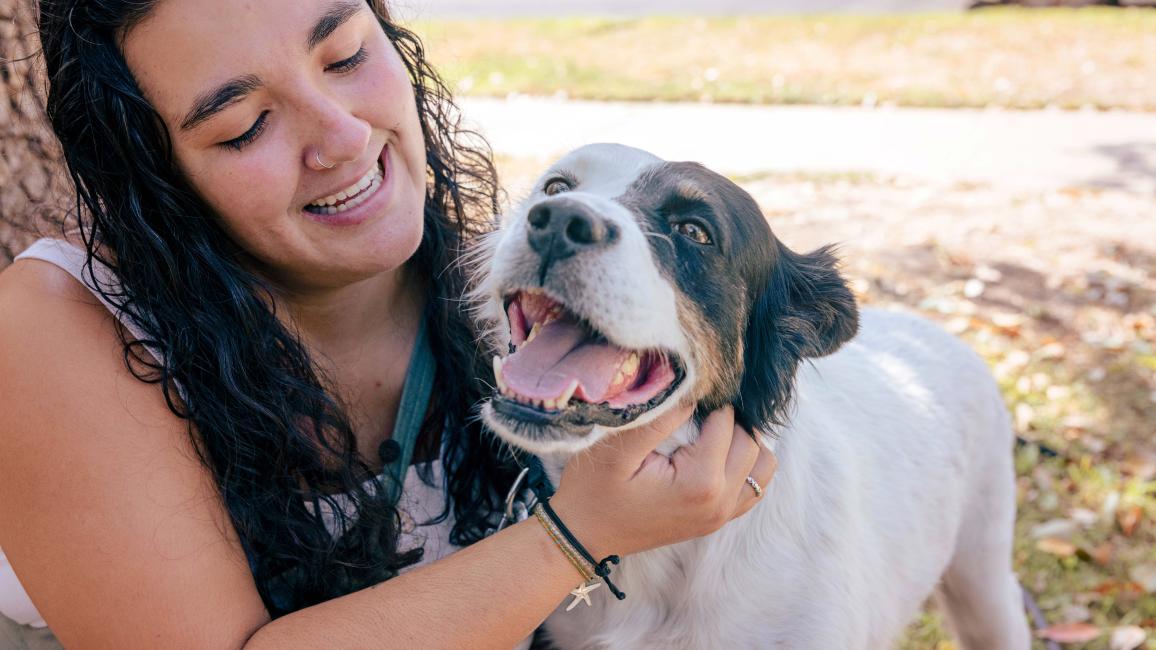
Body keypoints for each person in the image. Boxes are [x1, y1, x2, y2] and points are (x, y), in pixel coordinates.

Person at [0, 0, 777, 647]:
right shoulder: (53, 327)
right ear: (152, 178)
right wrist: (572, 538)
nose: (342, 137)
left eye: (343, 57)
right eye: (243, 124)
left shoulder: (510, 287)